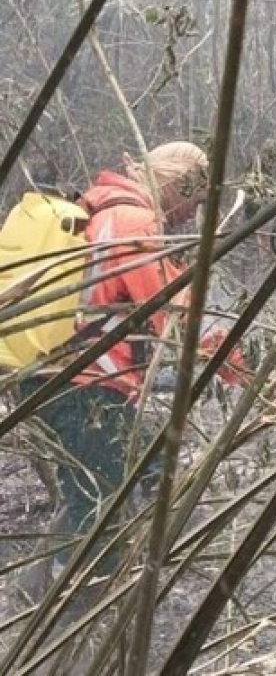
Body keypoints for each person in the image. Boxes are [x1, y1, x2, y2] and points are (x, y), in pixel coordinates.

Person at [15, 141, 242, 598]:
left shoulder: (104, 209)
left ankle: (37, 588)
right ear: (176, 186)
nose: (191, 215)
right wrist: (232, 360)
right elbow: (174, 318)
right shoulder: (132, 222)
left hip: (61, 380)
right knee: (101, 502)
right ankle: (76, 608)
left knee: (138, 467)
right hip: (84, 387)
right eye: (193, 201)